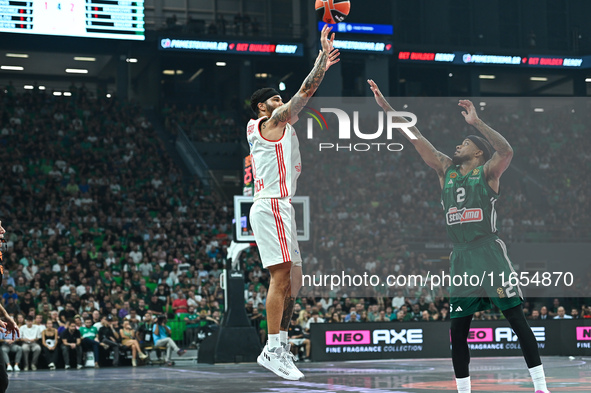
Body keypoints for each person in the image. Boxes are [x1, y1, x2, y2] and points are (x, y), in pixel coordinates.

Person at [368, 81, 550, 393]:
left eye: (464, 143)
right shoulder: (445, 170)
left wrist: (476, 122)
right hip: (461, 255)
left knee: (516, 321)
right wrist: (387, 108)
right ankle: (464, 391)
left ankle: (540, 387)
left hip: (488, 251)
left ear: (478, 151)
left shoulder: (489, 172)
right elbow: (416, 138)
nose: (457, 146)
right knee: (458, 329)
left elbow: (507, 150)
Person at [247, 25, 339, 381]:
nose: (281, 103)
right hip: (270, 204)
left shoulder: (284, 130)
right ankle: (272, 348)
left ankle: (281, 344)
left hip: (281, 206)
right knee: (281, 276)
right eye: (274, 99)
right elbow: (304, 92)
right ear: (262, 107)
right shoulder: (268, 123)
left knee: (295, 282)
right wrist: (322, 59)